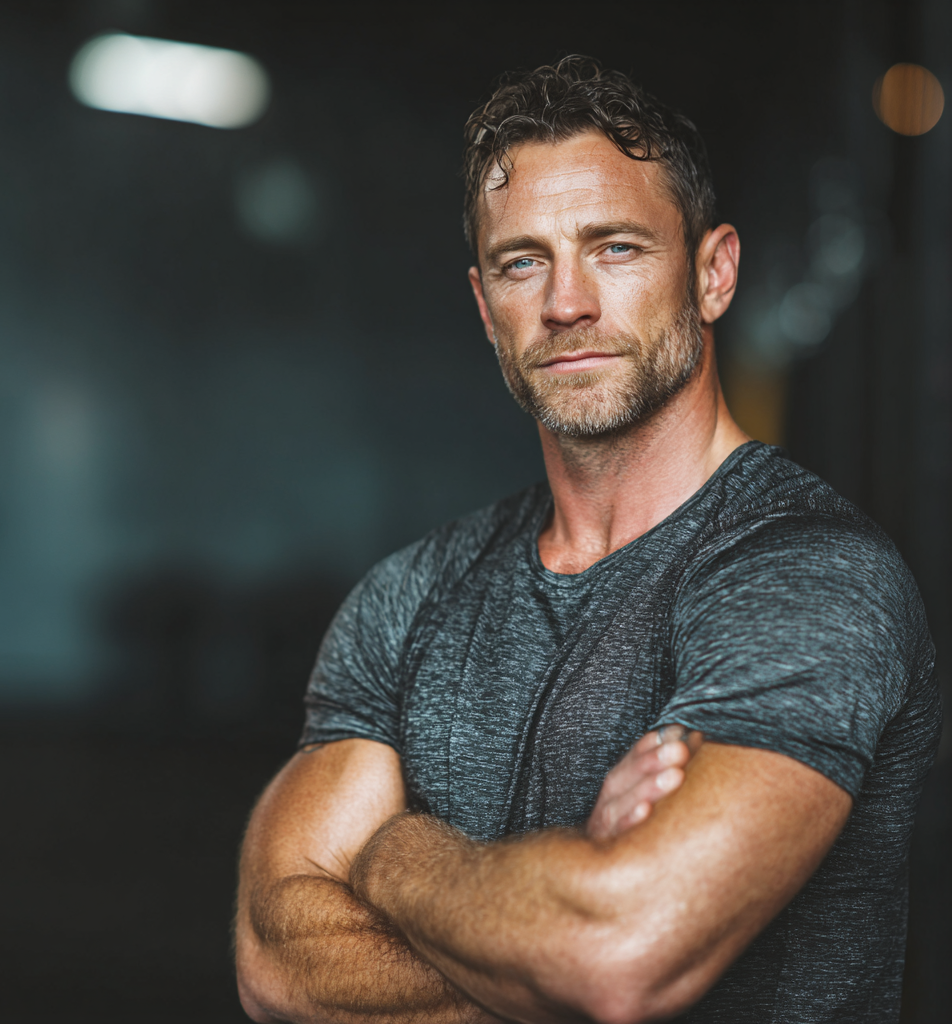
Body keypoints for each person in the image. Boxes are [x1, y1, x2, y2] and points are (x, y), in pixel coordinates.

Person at [234, 57, 940, 1023]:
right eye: (523, 261)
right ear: (486, 307)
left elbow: (614, 957)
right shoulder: (411, 594)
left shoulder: (808, 576)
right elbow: (277, 962)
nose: (566, 303)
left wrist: (393, 855)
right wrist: (556, 907)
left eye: (615, 248)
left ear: (713, 272)